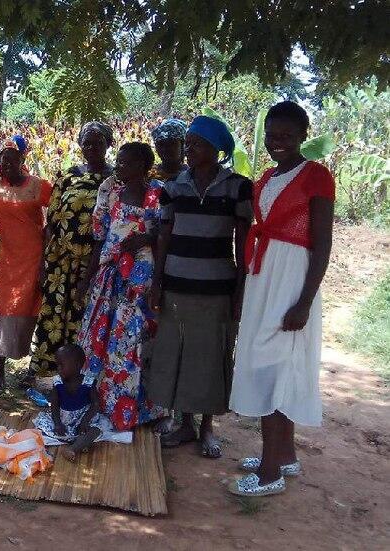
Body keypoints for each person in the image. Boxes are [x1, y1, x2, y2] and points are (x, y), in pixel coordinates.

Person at [229, 101, 335, 497]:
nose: (278, 142)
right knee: (267, 363)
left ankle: (270, 472)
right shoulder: (268, 176)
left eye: (287, 136)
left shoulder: (317, 176)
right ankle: (284, 455)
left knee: (277, 365)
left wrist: (305, 301)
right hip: (264, 276)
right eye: (272, 135)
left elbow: (322, 243)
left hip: (291, 281)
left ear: (303, 136)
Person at [149, 116, 252, 458]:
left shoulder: (237, 187)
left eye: (196, 144)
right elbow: (164, 235)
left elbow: (243, 242)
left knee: (210, 356)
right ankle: (184, 423)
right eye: (188, 143)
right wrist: (157, 282)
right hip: (177, 284)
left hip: (216, 287)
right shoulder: (173, 187)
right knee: (178, 352)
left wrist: (240, 289)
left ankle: (207, 428)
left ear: (215, 148)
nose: (188, 150)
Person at [78, 142, 164, 431]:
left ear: (143, 165)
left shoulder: (157, 194)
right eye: (119, 161)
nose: (119, 166)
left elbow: (165, 235)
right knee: (101, 340)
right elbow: (100, 237)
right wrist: (87, 278)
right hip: (110, 276)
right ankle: (100, 404)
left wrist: (146, 239)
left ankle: (136, 410)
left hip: (140, 280)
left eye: (126, 162)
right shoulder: (110, 191)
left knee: (130, 342)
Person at [29, 122, 115, 383]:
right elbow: (51, 222)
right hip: (59, 260)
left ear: (108, 144)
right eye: (86, 142)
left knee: (84, 315)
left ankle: (83, 376)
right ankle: (44, 369)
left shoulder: (115, 179)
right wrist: (44, 263)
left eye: (97, 142)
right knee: (53, 313)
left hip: (93, 260)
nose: (91, 148)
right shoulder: (67, 176)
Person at [0, 139, 53, 389]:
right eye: (4, 158)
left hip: (35, 258)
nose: (7, 163)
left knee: (35, 309)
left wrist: (48, 238)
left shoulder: (38, 186)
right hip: (7, 258)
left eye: (13, 158)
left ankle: (33, 370)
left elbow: (59, 210)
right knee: (7, 309)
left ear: (22, 161)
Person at [47, 345, 107, 461]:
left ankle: (73, 449)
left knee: (96, 430)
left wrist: (84, 422)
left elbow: (96, 404)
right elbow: (54, 405)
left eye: (62, 365)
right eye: (57, 365)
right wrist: (58, 423)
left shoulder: (88, 382)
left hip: (83, 420)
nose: (58, 369)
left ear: (78, 365)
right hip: (63, 421)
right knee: (47, 430)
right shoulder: (57, 382)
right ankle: (81, 444)